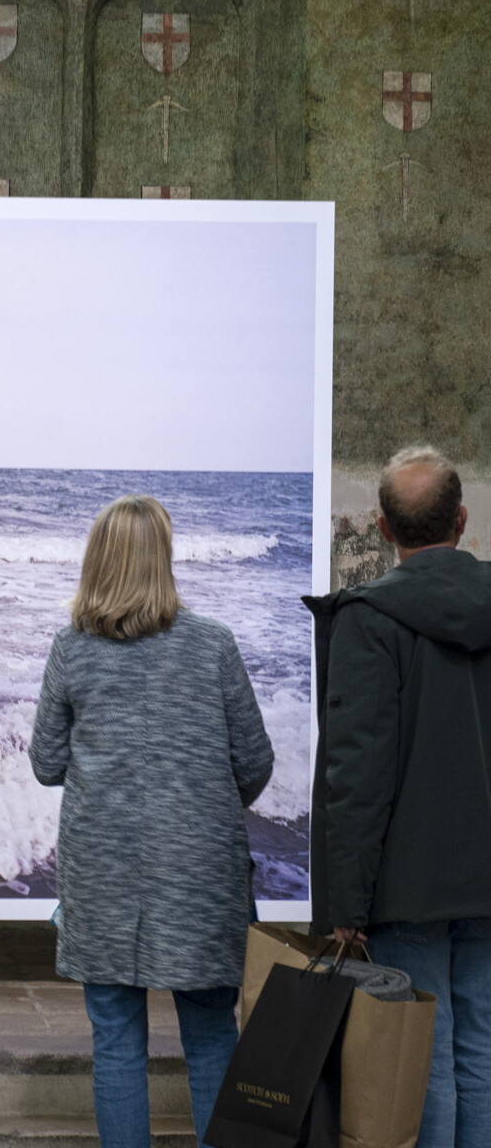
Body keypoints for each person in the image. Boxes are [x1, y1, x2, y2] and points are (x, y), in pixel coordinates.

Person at [29, 494, 272, 1148]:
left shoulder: (71, 649)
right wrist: (198, 803)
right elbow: (255, 763)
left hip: (103, 870)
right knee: (213, 1034)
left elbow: (46, 764)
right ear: (163, 559)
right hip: (199, 873)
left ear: (98, 561)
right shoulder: (214, 645)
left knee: (115, 1043)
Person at [306, 445, 491, 1148]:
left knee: (427, 1061)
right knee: (481, 1051)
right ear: (463, 521)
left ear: (380, 529)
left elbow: (358, 775)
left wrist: (346, 904)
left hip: (410, 882)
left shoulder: (368, 618)